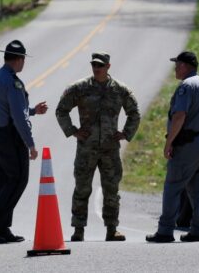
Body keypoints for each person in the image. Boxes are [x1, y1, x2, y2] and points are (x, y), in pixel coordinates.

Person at [56, 52, 140, 242]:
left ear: (108, 67)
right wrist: (72, 131)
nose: (96, 68)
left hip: (110, 149)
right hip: (87, 148)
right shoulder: (80, 88)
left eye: (100, 65)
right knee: (82, 189)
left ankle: (112, 229)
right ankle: (78, 229)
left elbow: (134, 113)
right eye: (94, 65)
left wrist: (126, 133)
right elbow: (61, 110)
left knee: (111, 190)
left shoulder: (120, 90)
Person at [0, 40, 48, 244]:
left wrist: (33, 110)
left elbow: (10, 110)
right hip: (11, 137)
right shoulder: (12, 82)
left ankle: (2, 227)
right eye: (23, 59)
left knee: (6, 182)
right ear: (19, 59)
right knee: (18, 180)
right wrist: (31, 144)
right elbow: (18, 117)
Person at [146, 51, 199, 243]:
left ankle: (165, 231)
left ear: (184, 66)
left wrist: (169, 142)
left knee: (173, 186)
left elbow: (179, 116)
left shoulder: (187, 86)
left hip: (188, 144)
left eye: (177, 64)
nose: (175, 68)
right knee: (197, 188)